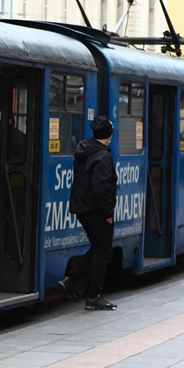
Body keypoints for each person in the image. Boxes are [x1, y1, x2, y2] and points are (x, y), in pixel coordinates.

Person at [57, 115, 118, 311]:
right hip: (95, 209)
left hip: (82, 207)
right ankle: (94, 296)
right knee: (103, 251)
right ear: (109, 134)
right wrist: (108, 212)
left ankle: (70, 281)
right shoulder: (102, 156)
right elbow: (101, 187)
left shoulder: (86, 150)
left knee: (99, 247)